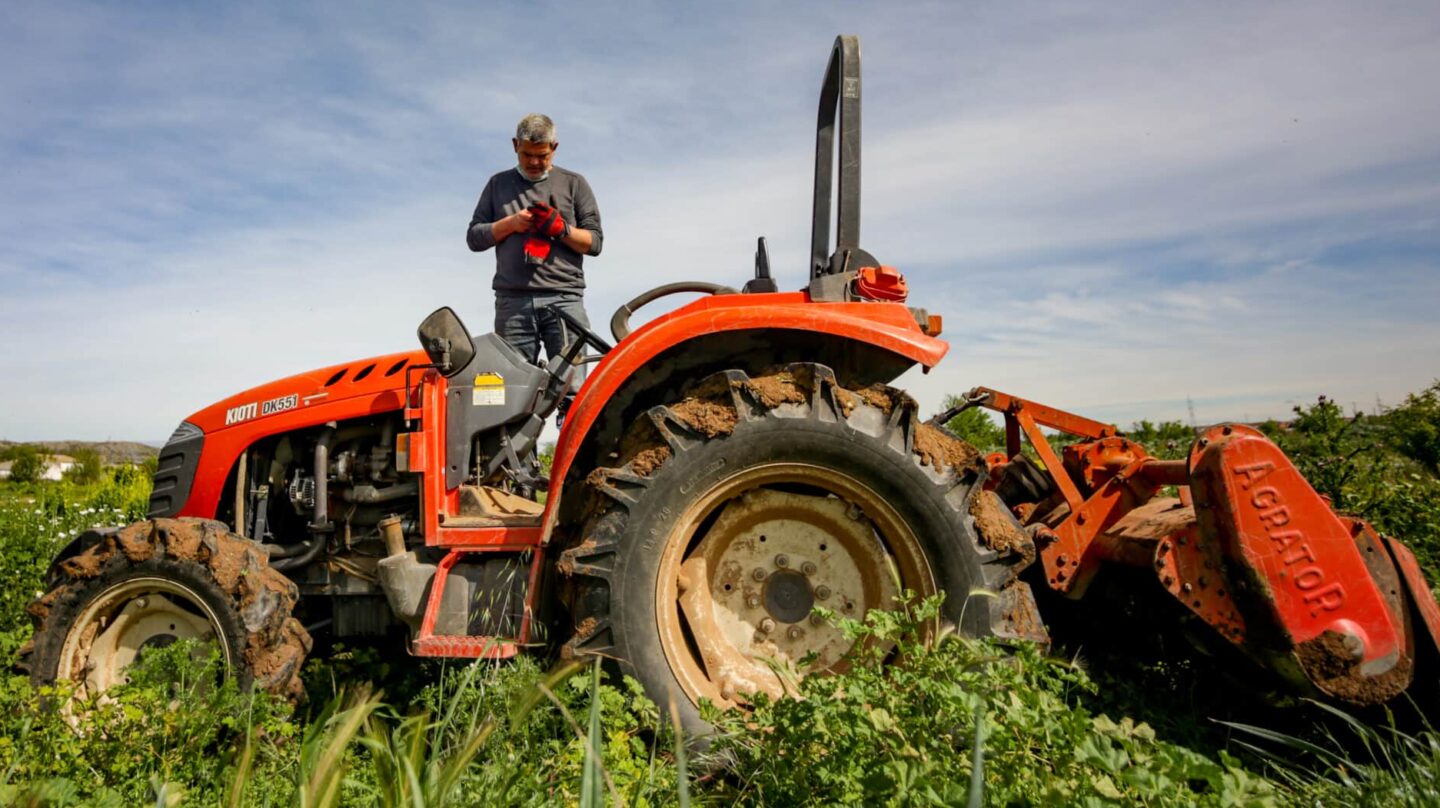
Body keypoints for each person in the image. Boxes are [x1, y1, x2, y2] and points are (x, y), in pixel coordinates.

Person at [466, 113, 603, 426]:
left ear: (554, 148)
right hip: (513, 302)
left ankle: (576, 468)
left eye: (542, 155)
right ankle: (513, 471)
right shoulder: (497, 185)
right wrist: (511, 224)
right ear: (515, 146)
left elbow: (595, 242)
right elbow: (474, 238)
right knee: (511, 393)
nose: (535, 162)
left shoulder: (574, 184)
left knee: (574, 392)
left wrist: (560, 228)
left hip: (564, 299)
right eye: (527, 154)